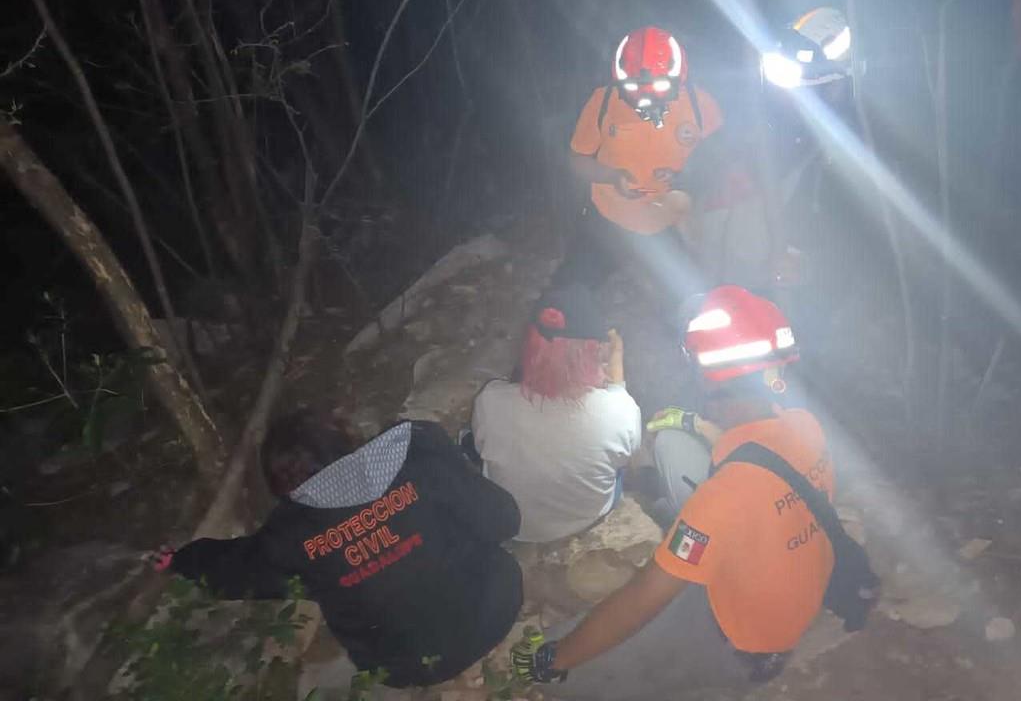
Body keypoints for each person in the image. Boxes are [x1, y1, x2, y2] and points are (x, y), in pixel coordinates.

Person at [511, 286, 844, 698]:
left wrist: (554, 659)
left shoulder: (721, 499)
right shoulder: (806, 424)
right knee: (674, 444)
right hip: (795, 591)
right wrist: (698, 426)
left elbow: (644, 598)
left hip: (746, 644)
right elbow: (763, 462)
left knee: (573, 669)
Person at [156, 409, 523, 689]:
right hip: (493, 611)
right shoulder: (419, 461)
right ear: (348, 441)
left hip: (401, 666)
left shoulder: (287, 536)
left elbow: (236, 572)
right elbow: (505, 520)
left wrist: (183, 560)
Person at [554, 26, 723, 300]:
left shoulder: (700, 105)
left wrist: (689, 179)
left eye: (658, 87)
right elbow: (576, 160)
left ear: (679, 76)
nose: (645, 96)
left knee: (695, 304)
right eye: (632, 88)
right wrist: (611, 176)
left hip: (669, 222)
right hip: (609, 219)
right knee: (564, 300)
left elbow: (719, 158)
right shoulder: (603, 102)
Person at [470, 283, 642, 543]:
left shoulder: (491, 399)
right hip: (586, 517)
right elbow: (626, 457)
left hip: (515, 524)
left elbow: (480, 444)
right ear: (596, 350)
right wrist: (617, 366)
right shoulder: (620, 411)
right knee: (616, 463)